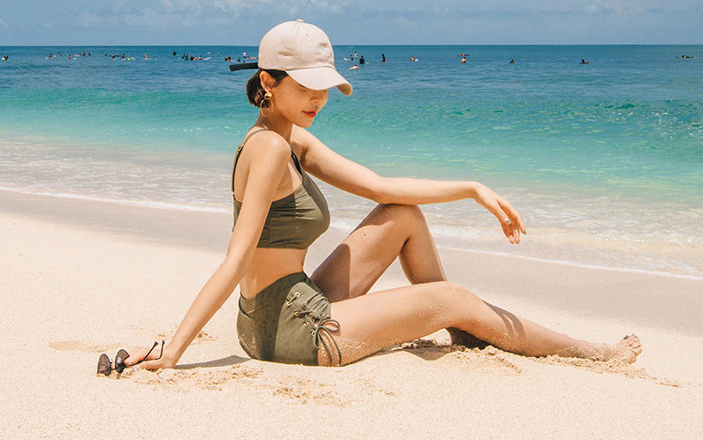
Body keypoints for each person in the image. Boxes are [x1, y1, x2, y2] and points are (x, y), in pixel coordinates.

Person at [114, 20, 641, 374]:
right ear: (269, 82)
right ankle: (589, 351)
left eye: (324, 87)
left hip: (278, 312)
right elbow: (235, 259)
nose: (319, 99)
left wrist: (472, 188)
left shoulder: (285, 136)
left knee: (401, 215)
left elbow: (383, 188)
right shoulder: (272, 149)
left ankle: (464, 326)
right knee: (454, 295)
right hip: (295, 334)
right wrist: (172, 350)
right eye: (306, 87)